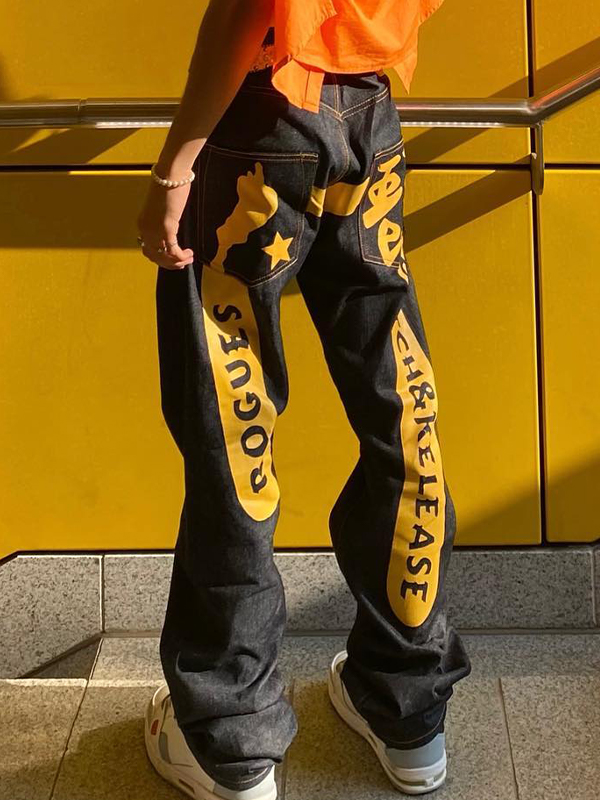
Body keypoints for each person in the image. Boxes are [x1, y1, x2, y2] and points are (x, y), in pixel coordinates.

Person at [136, 1, 472, 798]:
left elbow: (247, 8)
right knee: (401, 406)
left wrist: (175, 168)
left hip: (263, 117)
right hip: (369, 113)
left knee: (234, 424)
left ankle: (232, 742)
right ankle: (407, 710)